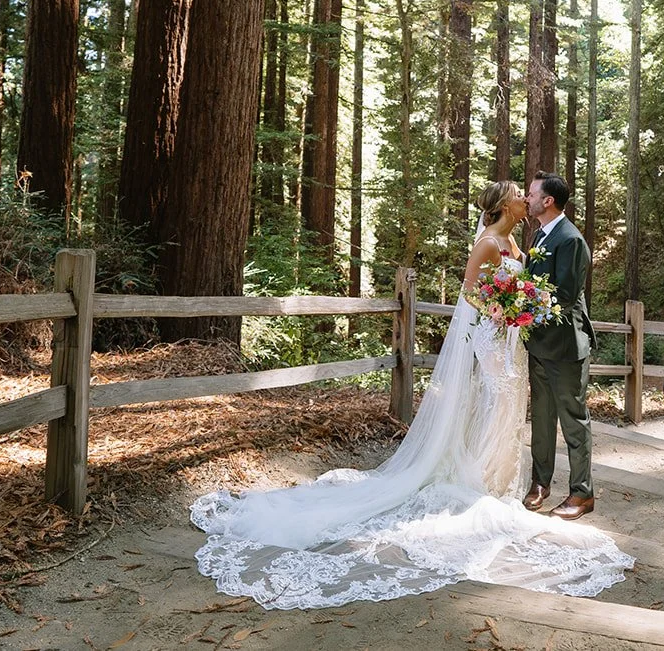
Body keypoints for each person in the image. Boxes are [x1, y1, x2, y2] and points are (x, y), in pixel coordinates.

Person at [188, 179, 632, 609]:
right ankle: (497, 480)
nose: (524, 198)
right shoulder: (495, 243)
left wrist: (514, 310)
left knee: (518, 408)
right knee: (501, 402)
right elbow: (472, 291)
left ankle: (540, 484)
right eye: (519, 194)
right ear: (504, 205)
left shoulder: (532, 241)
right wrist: (501, 310)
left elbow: (551, 292)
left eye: (528, 194)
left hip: (522, 339)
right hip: (499, 336)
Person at [521, 172, 597, 519]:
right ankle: (541, 482)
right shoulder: (539, 233)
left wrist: (522, 306)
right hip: (538, 343)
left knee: (573, 421)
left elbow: (564, 296)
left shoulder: (571, 240)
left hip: (566, 345)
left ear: (547, 201)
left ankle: (582, 494)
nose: (527, 198)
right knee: (542, 416)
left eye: (532, 193)